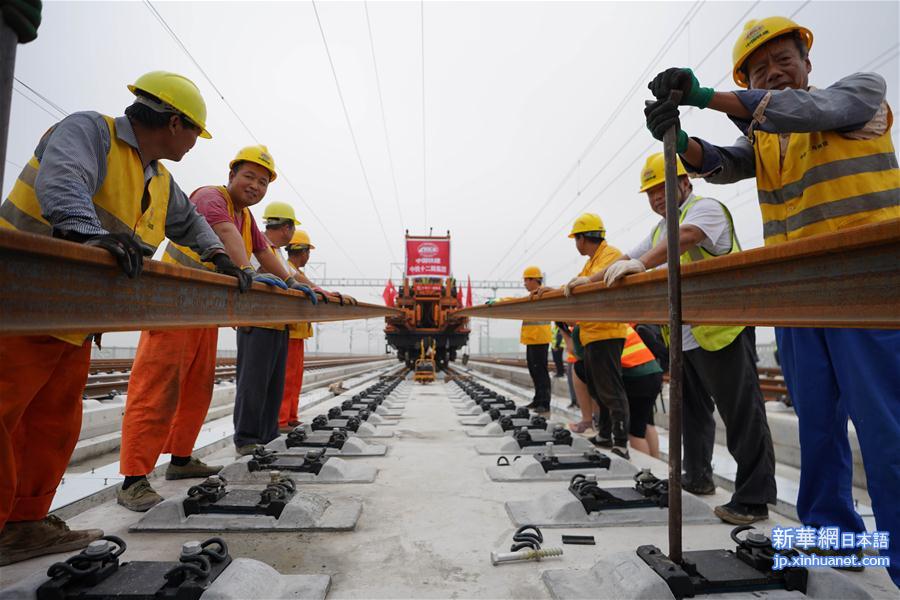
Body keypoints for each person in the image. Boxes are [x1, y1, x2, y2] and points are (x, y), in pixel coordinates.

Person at [645, 16, 899, 578]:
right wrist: (679, 139)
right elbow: (724, 162)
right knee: (818, 425)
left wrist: (710, 96)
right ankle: (836, 539)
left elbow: (811, 112)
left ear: (807, 63)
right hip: (800, 297)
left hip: (867, 288)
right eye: (761, 69)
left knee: (885, 427)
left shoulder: (860, 95)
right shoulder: (766, 136)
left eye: (783, 61)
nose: (775, 73)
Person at [0, 71, 249, 563]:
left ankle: (23, 524)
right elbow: (64, 178)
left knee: (53, 425)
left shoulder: (158, 177)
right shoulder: (91, 131)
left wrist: (218, 256)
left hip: (74, 317)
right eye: (195, 133)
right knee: (5, 414)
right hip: (19, 305)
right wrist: (82, 231)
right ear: (175, 123)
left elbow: (189, 221)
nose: (196, 143)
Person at [115, 145, 303, 512]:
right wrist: (246, 270)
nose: (255, 185)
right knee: (157, 387)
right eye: (249, 176)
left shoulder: (247, 218)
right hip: (173, 305)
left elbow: (264, 255)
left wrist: (299, 286)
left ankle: (182, 460)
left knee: (197, 389)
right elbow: (223, 234)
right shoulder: (209, 196)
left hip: (202, 310)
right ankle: (133, 481)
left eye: (262, 181)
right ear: (231, 175)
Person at [605, 153, 777, 525]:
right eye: (650, 192)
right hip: (686, 337)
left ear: (685, 183)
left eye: (662, 187)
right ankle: (697, 477)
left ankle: (754, 498)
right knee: (693, 415)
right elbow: (627, 256)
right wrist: (585, 281)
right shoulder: (657, 231)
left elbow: (685, 238)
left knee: (742, 413)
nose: (656, 198)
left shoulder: (705, 210)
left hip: (723, 329)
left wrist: (642, 264)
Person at [559, 214, 630, 459]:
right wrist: (554, 291)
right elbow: (578, 283)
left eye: (575, 239)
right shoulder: (591, 262)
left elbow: (593, 282)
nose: (575, 244)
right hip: (592, 334)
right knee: (599, 390)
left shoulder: (610, 255)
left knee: (610, 389)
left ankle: (620, 442)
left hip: (606, 333)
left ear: (582, 238)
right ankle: (605, 434)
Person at [278, 229, 317, 432]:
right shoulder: (289, 271)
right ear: (303, 252)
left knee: (295, 378)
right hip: (290, 333)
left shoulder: (296, 272)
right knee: (287, 378)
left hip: (298, 334)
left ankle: (291, 416)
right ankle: (282, 420)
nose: (308, 256)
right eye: (308, 252)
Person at [520, 266, 552, 413]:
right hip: (531, 339)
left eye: (526, 280)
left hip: (540, 338)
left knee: (541, 371)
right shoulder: (531, 295)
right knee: (534, 370)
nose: (524, 283)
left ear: (534, 280)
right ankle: (537, 399)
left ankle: (544, 403)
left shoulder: (543, 293)